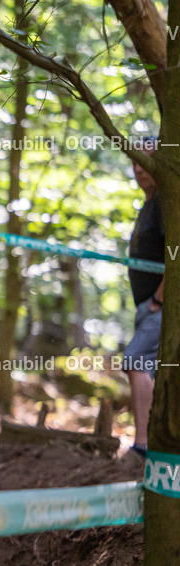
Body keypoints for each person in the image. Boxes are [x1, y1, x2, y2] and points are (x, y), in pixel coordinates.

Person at [122, 135, 165, 458]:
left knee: (137, 360)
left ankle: (144, 447)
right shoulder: (151, 203)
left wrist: (159, 301)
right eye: (133, 161)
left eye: (145, 160)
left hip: (159, 306)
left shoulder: (167, 202)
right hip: (147, 306)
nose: (138, 168)